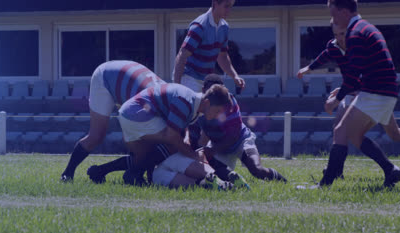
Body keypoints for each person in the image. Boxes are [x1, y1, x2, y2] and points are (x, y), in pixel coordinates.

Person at [297, 22, 400, 179]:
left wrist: (339, 95)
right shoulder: (334, 45)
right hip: (355, 93)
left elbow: (360, 78)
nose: (340, 39)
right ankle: (337, 172)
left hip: (372, 93)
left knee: (393, 134)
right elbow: (327, 54)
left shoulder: (359, 47)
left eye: (343, 34)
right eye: (336, 35)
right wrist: (309, 68)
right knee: (340, 128)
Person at [320, 0, 400, 188]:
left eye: (333, 15)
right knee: (367, 135)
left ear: (343, 13)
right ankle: (392, 168)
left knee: (341, 130)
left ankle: (325, 184)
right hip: (385, 91)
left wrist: (335, 100)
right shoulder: (366, 27)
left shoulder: (355, 33)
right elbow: (363, 70)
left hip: (375, 91)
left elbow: (352, 73)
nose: (332, 20)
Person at [60, 60, 167, 182]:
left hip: (126, 78)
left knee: (146, 143)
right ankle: (67, 173)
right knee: (97, 135)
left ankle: (112, 172)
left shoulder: (167, 103)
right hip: (106, 76)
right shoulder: (155, 106)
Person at [116, 83, 232, 185]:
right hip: (135, 114)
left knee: (146, 155)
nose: (217, 116)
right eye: (217, 111)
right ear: (207, 103)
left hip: (131, 112)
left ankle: (128, 174)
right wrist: (193, 155)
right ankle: (134, 174)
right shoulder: (185, 102)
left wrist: (186, 140)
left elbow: (178, 123)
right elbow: (171, 136)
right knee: (171, 146)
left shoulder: (193, 103)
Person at [173, 0, 245, 149]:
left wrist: (234, 75)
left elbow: (222, 56)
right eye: (226, 6)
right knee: (188, 120)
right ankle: (180, 155)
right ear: (215, 3)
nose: (229, 10)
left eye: (231, 7)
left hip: (206, 81)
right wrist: (177, 86)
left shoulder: (224, 27)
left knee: (211, 117)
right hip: (189, 78)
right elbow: (182, 55)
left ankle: (201, 154)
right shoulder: (199, 26)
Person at [197, 74, 287, 183]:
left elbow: (234, 136)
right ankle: (234, 180)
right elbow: (205, 134)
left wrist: (212, 150)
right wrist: (202, 150)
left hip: (240, 141)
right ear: (203, 91)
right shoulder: (198, 103)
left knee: (257, 170)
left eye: (218, 92)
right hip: (218, 145)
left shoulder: (228, 102)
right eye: (211, 92)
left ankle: (281, 180)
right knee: (210, 171)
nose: (215, 96)